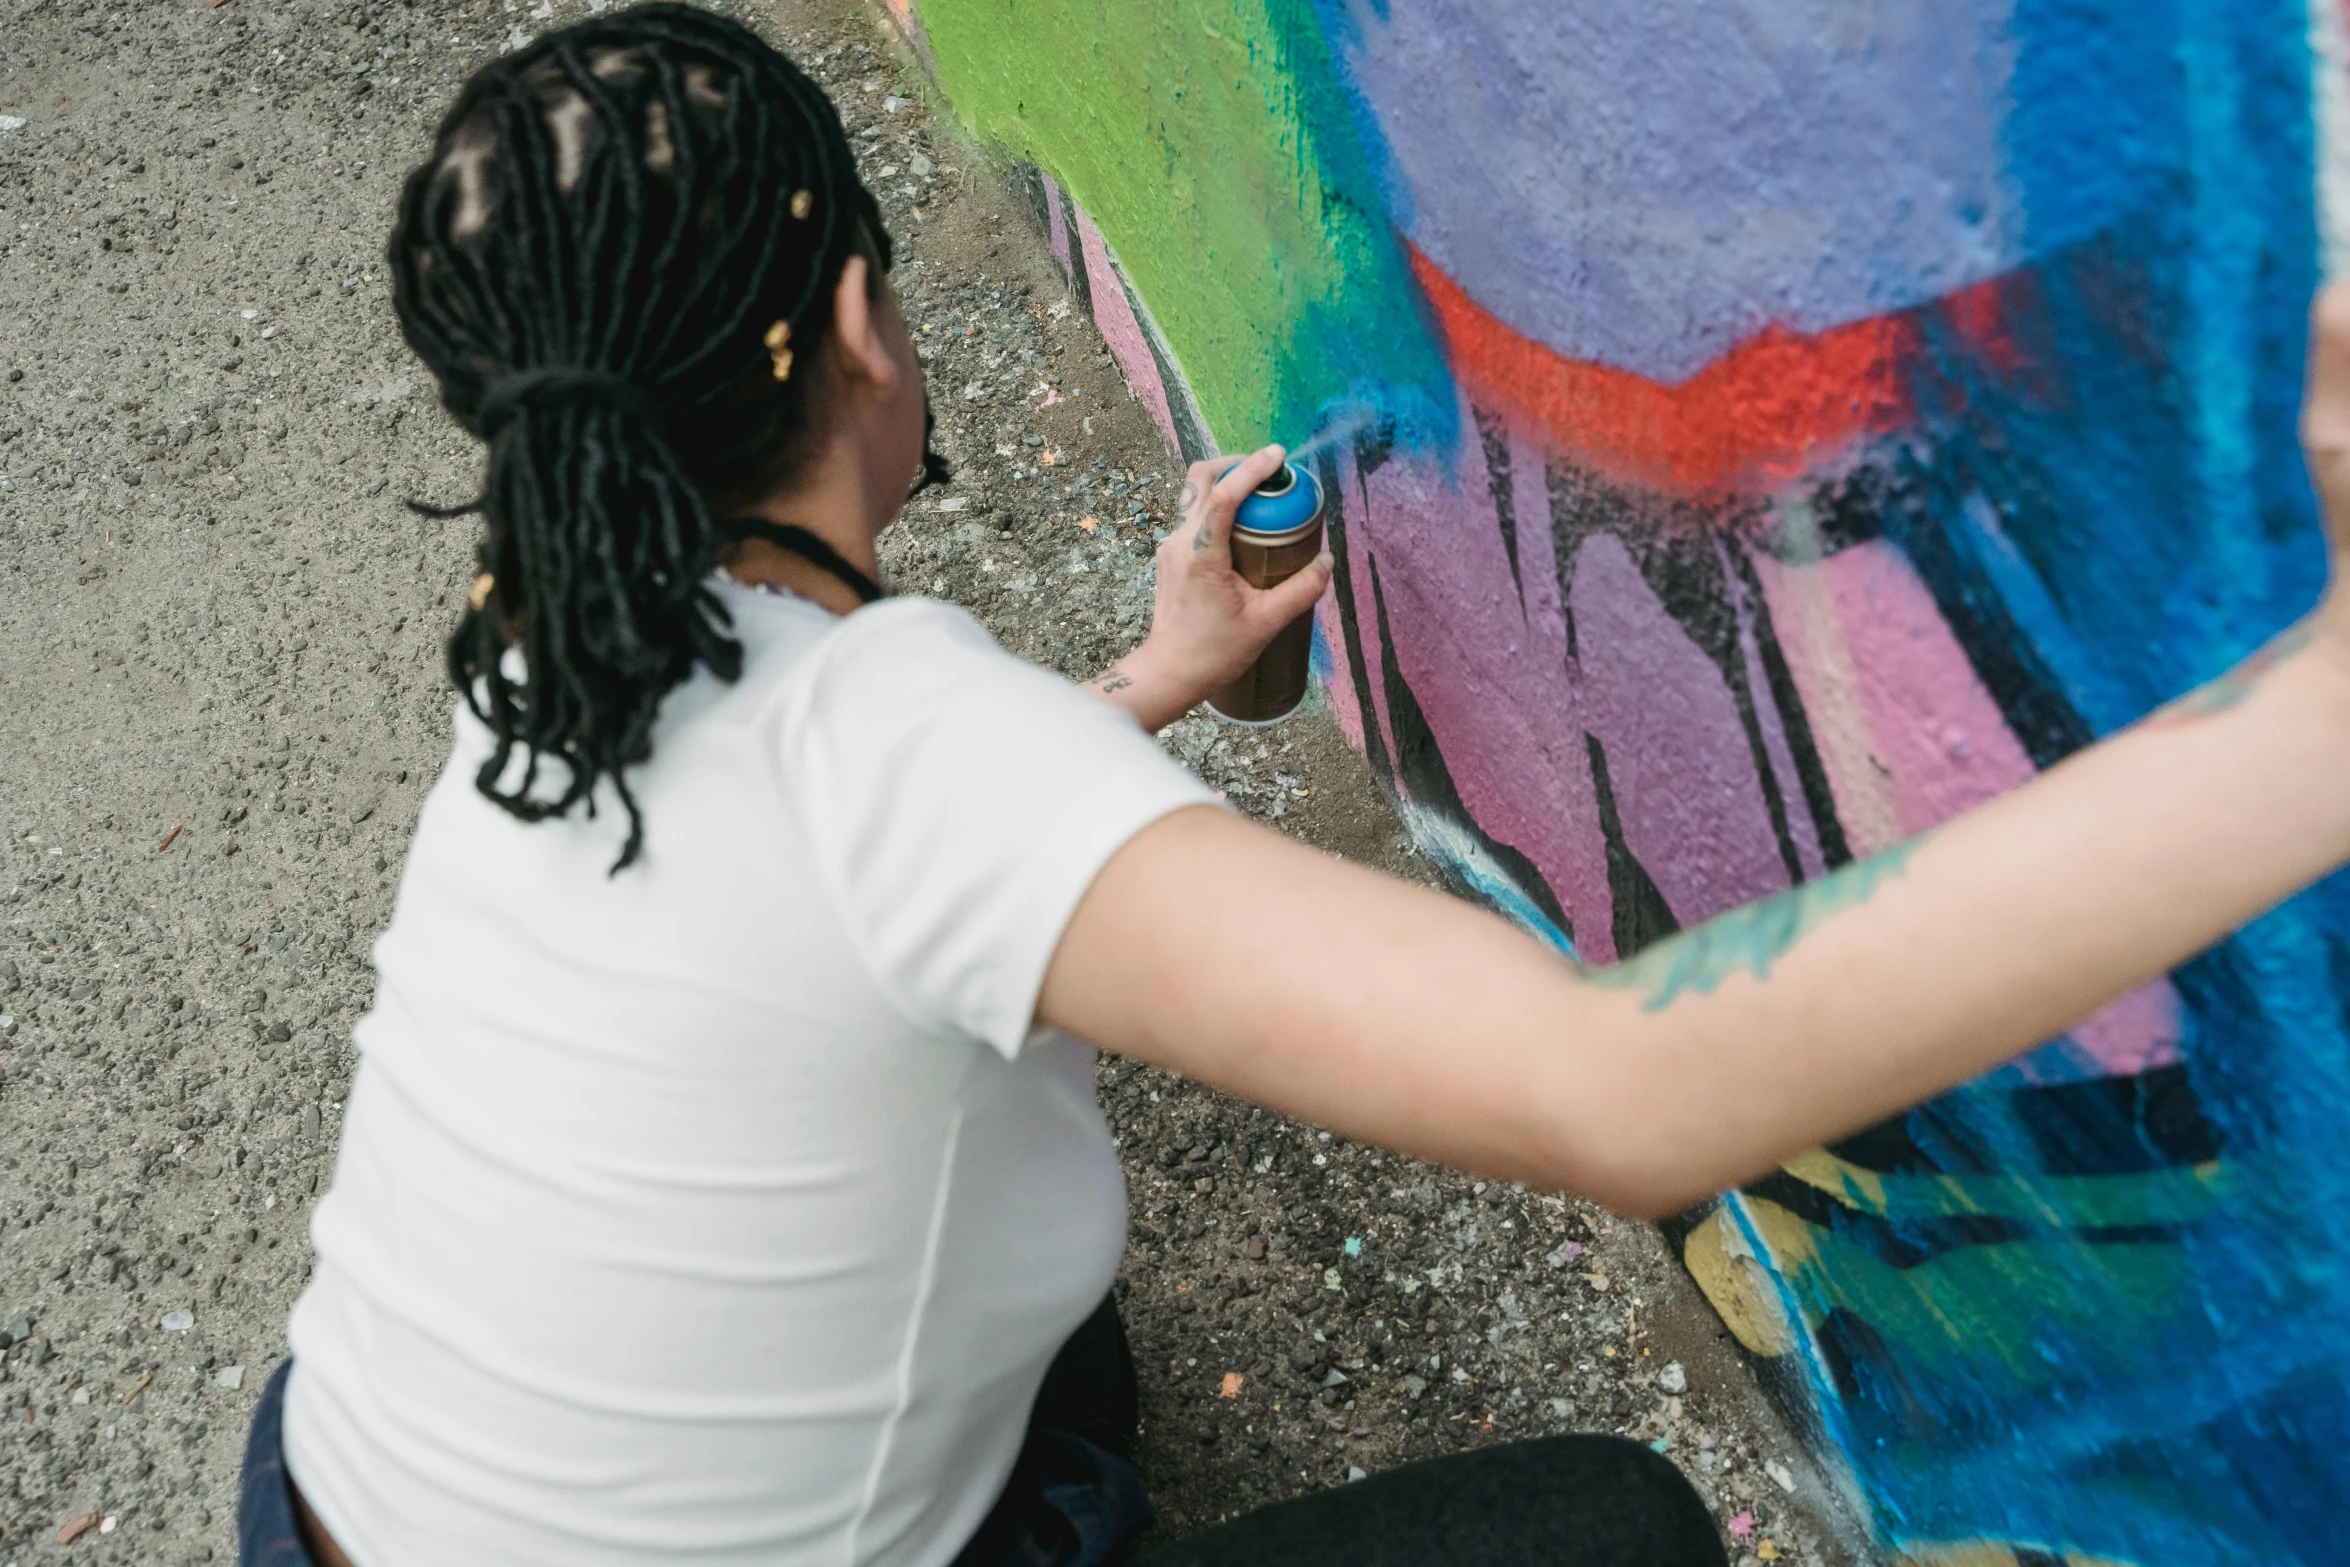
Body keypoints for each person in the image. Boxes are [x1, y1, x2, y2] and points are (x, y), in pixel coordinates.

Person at [234, 5, 2350, 1565]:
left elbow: (824, 865)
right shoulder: (903, 747)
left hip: (332, 1505)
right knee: (1604, 1534)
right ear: (867, 329)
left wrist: (1143, 688)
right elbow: (1629, 1099)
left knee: (1034, 1316)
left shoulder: (551, 638)